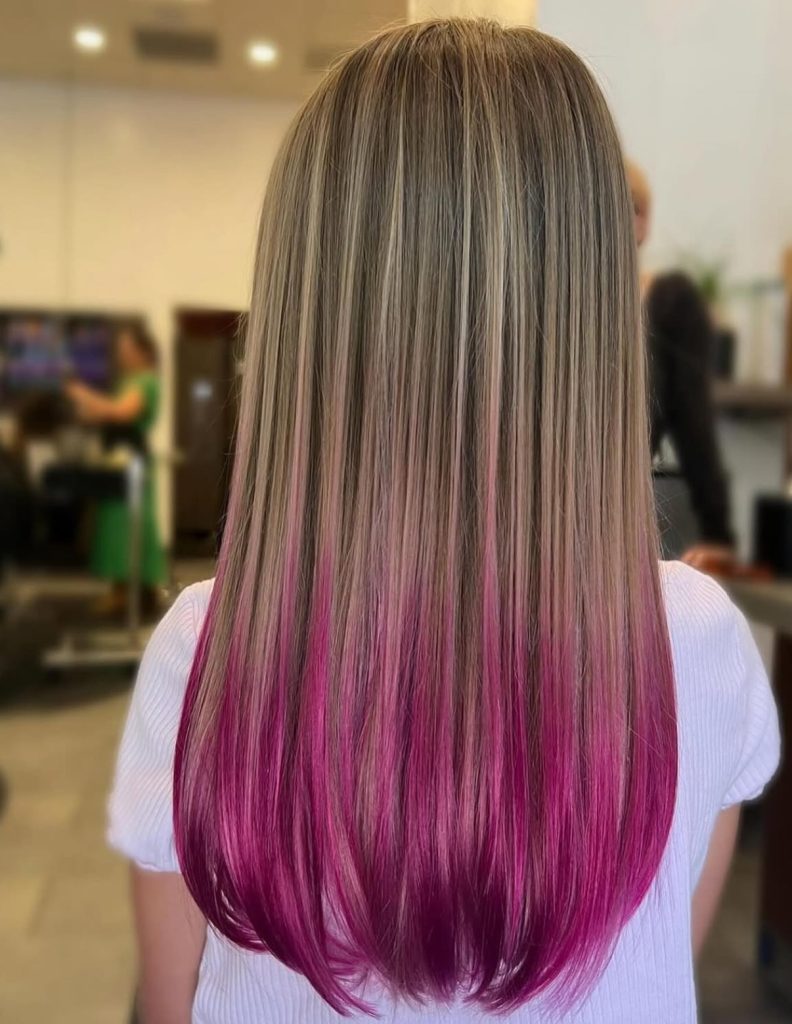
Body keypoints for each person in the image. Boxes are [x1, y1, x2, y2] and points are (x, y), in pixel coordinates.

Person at [109, 21, 779, 1023]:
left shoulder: (206, 653)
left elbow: (174, 1003)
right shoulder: (700, 646)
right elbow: (661, 958)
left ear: (303, 314)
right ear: (592, 310)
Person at [627, 162, 735, 571]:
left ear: (644, 222)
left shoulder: (671, 302)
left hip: (619, 530)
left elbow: (695, 424)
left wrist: (718, 535)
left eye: (632, 206)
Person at [65, 321, 165, 615]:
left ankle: (132, 593)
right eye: (120, 349)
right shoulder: (128, 382)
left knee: (129, 527)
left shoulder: (145, 381)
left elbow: (121, 412)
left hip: (131, 464)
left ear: (143, 352)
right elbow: (108, 413)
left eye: (127, 349)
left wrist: (81, 393)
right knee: (113, 527)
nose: (122, 355)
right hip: (116, 462)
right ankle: (122, 590)